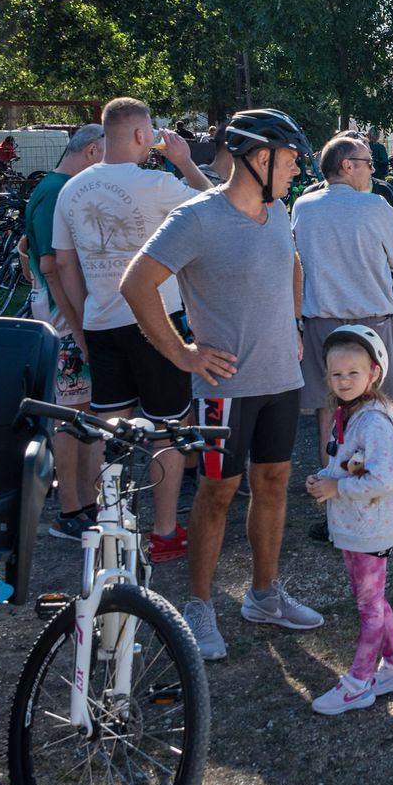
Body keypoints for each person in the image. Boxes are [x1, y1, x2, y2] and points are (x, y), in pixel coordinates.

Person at [123, 109, 323, 660]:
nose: (296, 170)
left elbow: (293, 267)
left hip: (281, 379)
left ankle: (264, 594)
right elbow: (136, 283)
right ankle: (199, 605)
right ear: (260, 159)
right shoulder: (197, 218)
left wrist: (296, 322)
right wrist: (182, 352)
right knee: (217, 494)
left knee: (275, 484)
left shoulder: (276, 210)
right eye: (289, 160)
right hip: (226, 390)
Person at [50, 96, 210, 563]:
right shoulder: (158, 183)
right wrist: (183, 161)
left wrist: (83, 322)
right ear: (142, 135)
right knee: (168, 427)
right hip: (156, 319)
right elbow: (216, 209)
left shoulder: (71, 189)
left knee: (109, 425)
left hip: (100, 322)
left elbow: (63, 263)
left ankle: (111, 526)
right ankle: (163, 530)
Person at [302, 325, 393, 714]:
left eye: (353, 373)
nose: (344, 381)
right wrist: (326, 478)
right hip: (353, 527)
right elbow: (349, 464)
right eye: (336, 375)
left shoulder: (374, 422)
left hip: (369, 527)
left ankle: (358, 683)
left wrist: (337, 490)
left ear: (373, 374)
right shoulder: (350, 415)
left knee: (369, 608)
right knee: (374, 601)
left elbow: (384, 478)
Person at [293, 132, 393, 447]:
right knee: (379, 401)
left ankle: (332, 477)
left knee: (329, 405)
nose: (373, 171)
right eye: (368, 163)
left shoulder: (302, 206)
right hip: (372, 319)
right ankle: (379, 473)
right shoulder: (375, 205)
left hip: (321, 320)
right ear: (347, 165)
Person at [25, 123, 107, 537]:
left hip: (72, 319)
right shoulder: (57, 192)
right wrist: (79, 331)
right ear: (92, 152)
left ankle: (90, 503)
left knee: (89, 415)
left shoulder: (57, 189)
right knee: (71, 415)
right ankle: (71, 510)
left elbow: (27, 255)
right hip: (67, 325)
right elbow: (49, 266)